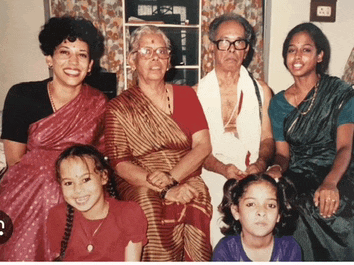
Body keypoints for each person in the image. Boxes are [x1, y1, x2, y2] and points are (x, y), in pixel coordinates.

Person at [0, 16, 107, 261]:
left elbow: (100, 156)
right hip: (28, 187)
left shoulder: (98, 102)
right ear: (49, 59)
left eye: (82, 55)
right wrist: (53, 175)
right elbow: (15, 162)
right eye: (65, 52)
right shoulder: (22, 95)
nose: (74, 61)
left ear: (91, 64)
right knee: (46, 184)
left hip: (81, 185)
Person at [105, 25, 213, 261]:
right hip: (140, 178)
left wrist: (172, 178)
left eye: (162, 52)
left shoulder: (187, 96)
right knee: (146, 202)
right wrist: (164, 189)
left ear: (169, 60)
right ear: (132, 60)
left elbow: (203, 146)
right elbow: (120, 163)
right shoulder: (117, 108)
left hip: (182, 172)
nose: (155, 58)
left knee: (197, 194)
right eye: (146, 51)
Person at [267, 22, 354, 261]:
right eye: (291, 50)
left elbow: (345, 147)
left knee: (338, 211)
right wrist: (276, 167)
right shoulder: (278, 103)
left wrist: (330, 182)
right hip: (300, 171)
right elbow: (283, 154)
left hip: (338, 170)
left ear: (319, 56)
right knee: (281, 202)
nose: (297, 56)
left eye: (306, 50)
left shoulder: (340, 93)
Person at [196, 13, 274, 247]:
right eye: (224, 42)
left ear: (246, 49)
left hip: (253, 169)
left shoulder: (261, 91)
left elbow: (268, 139)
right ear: (213, 47)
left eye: (238, 42)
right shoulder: (195, 93)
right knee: (216, 222)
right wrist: (223, 169)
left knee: (263, 210)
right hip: (212, 170)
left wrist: (260, 165)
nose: (231, 49)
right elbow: (196, 150)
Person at [47, 144, 147, 261]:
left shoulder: (128, 214)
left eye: (85, 180)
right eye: (69, 183)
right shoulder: (57, 216)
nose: (78, 190)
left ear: (104, 177)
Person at [212, 174, 301, 261]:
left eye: (270, 205)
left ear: (279, 214)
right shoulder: (225, 250)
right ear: (236, 211)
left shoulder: (289, 248)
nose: (262, 212)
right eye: (251, 204)